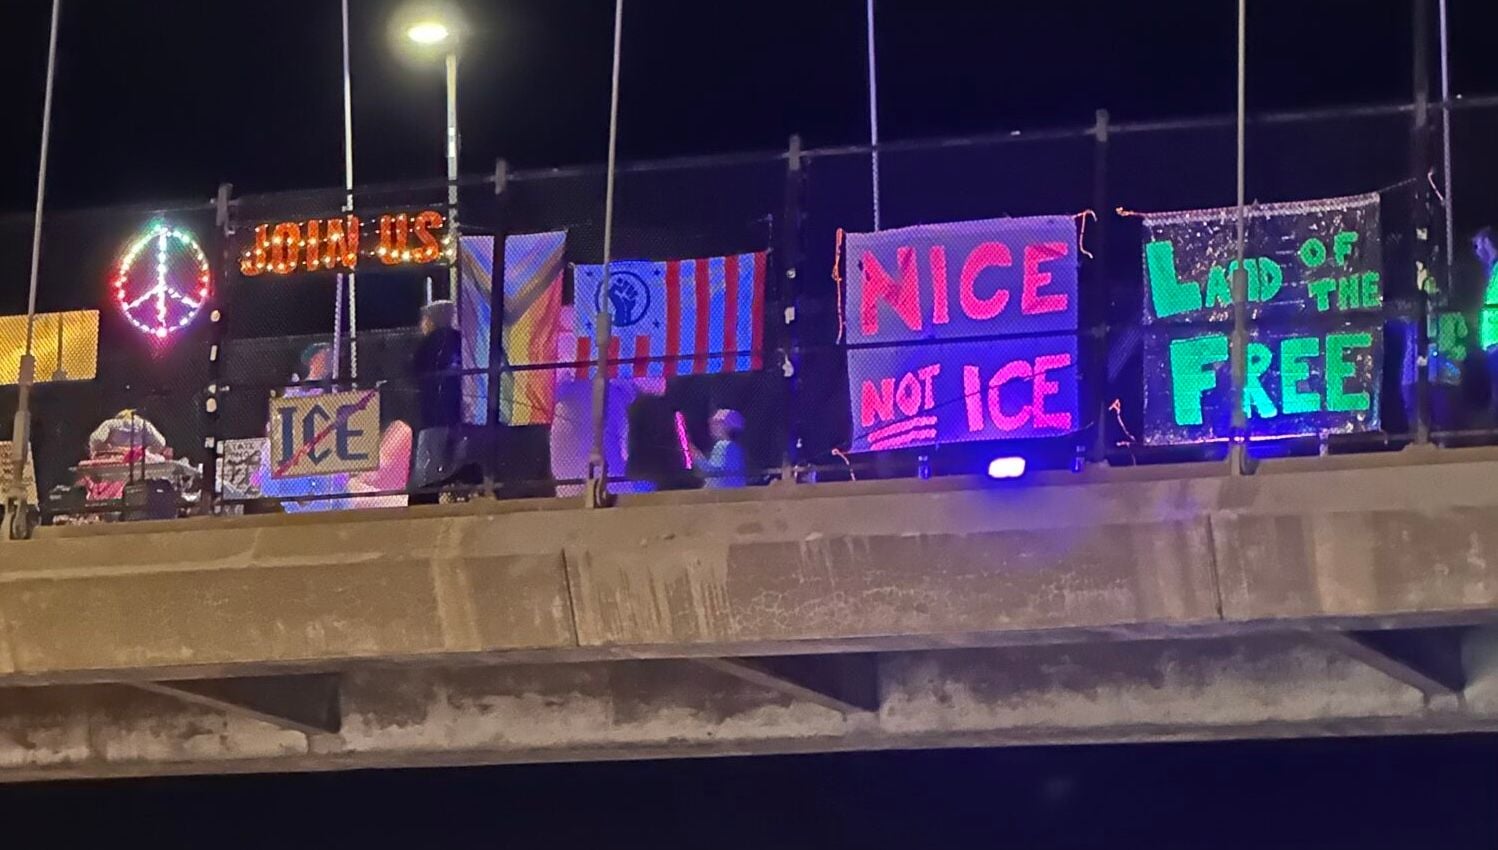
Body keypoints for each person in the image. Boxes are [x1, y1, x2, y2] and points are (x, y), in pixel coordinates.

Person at [411, 300, 463, 499]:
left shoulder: (427, 344)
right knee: (454, 463)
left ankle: (426, 500)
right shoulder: (460, 340)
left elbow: (415, 370)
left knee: (429, 466)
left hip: (432, 416)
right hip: (459, 413)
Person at [693, 408, 747, 489]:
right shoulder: (736, 447)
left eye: (717, 423)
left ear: (727, 426)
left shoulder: (722, 445)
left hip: (721, 494)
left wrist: (696, 456)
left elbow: (712, 472)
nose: (712, 427)